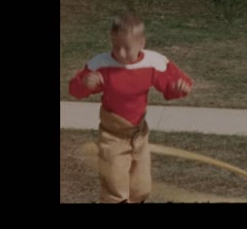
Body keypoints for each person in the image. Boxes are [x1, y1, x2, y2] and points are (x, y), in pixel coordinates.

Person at [69, 13, 193, 203]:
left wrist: (179, 87)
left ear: (141, 43)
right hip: (112, 135)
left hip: (139, 135)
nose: (120, 53)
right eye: (116, 47)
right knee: (115, 187)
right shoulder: (102, 64)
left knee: (141, 187)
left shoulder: (153, 62)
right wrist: (85, 83)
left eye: (127, 48)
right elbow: (74, 89)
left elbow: (174, 83)